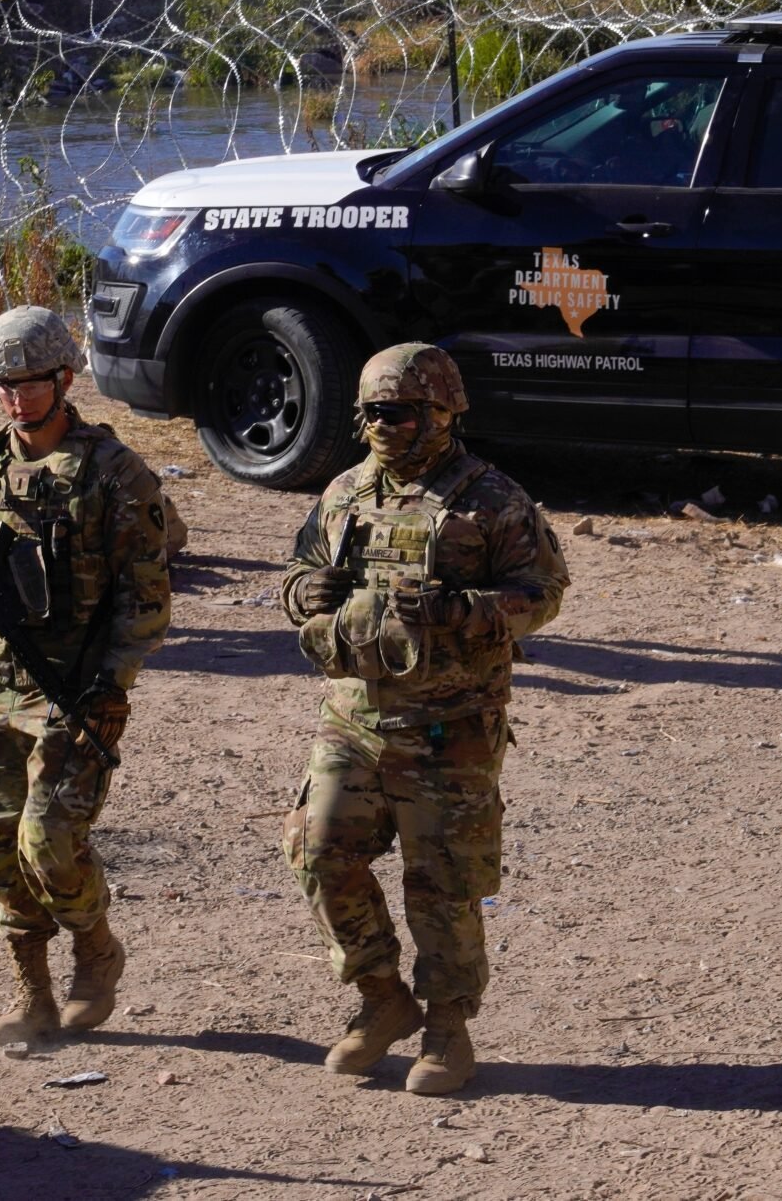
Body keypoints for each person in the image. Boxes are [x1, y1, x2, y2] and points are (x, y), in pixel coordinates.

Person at [279, 343, 569, 1095]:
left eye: (401, 412)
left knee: (442, 884)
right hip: (355, 718)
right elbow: (296, 572)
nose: (384, 425)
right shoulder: (344, 492)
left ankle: (447, 1026)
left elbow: (543, 593)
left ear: (444, 412)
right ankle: (381, 999)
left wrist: (463, 609)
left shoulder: (492, 500)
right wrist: (305, 592)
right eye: (372, 412)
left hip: (451, 729)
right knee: (316, 851)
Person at [0, 306, 174, 1046]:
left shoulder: (112, 472)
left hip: (74, 683)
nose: (17, 398)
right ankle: (33, 991)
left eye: (30, 382)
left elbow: (145, 591)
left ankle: (94, 946)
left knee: (49, 837)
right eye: (3, 384)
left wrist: (115, 682)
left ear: (64, 378)